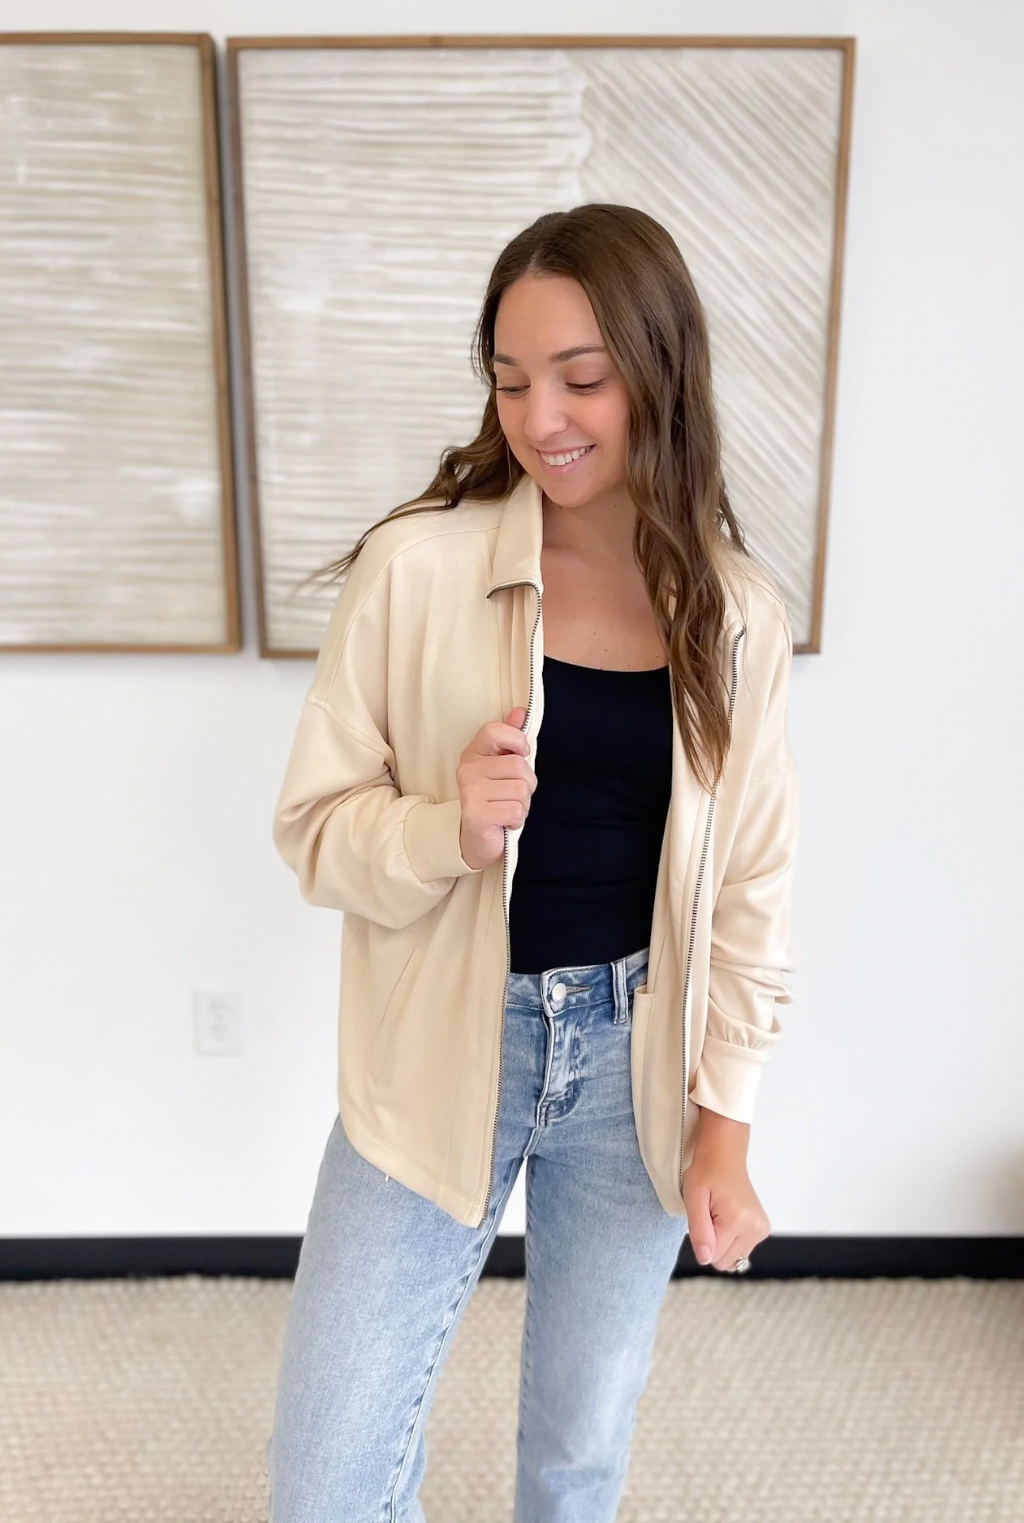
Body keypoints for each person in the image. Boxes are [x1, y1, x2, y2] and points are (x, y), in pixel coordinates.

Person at [265, 202, 800, 1522]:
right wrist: (447, 826)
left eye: (580, 377)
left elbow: (750, 889)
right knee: (327, 1479)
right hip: (438, 1040)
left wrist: (725, 1130)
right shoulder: (416, 567)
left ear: (658, 371)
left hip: (636, 1065)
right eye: (510, 380)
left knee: (576, 1460)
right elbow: (315, 828)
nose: (540, 417)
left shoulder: (733, 614)